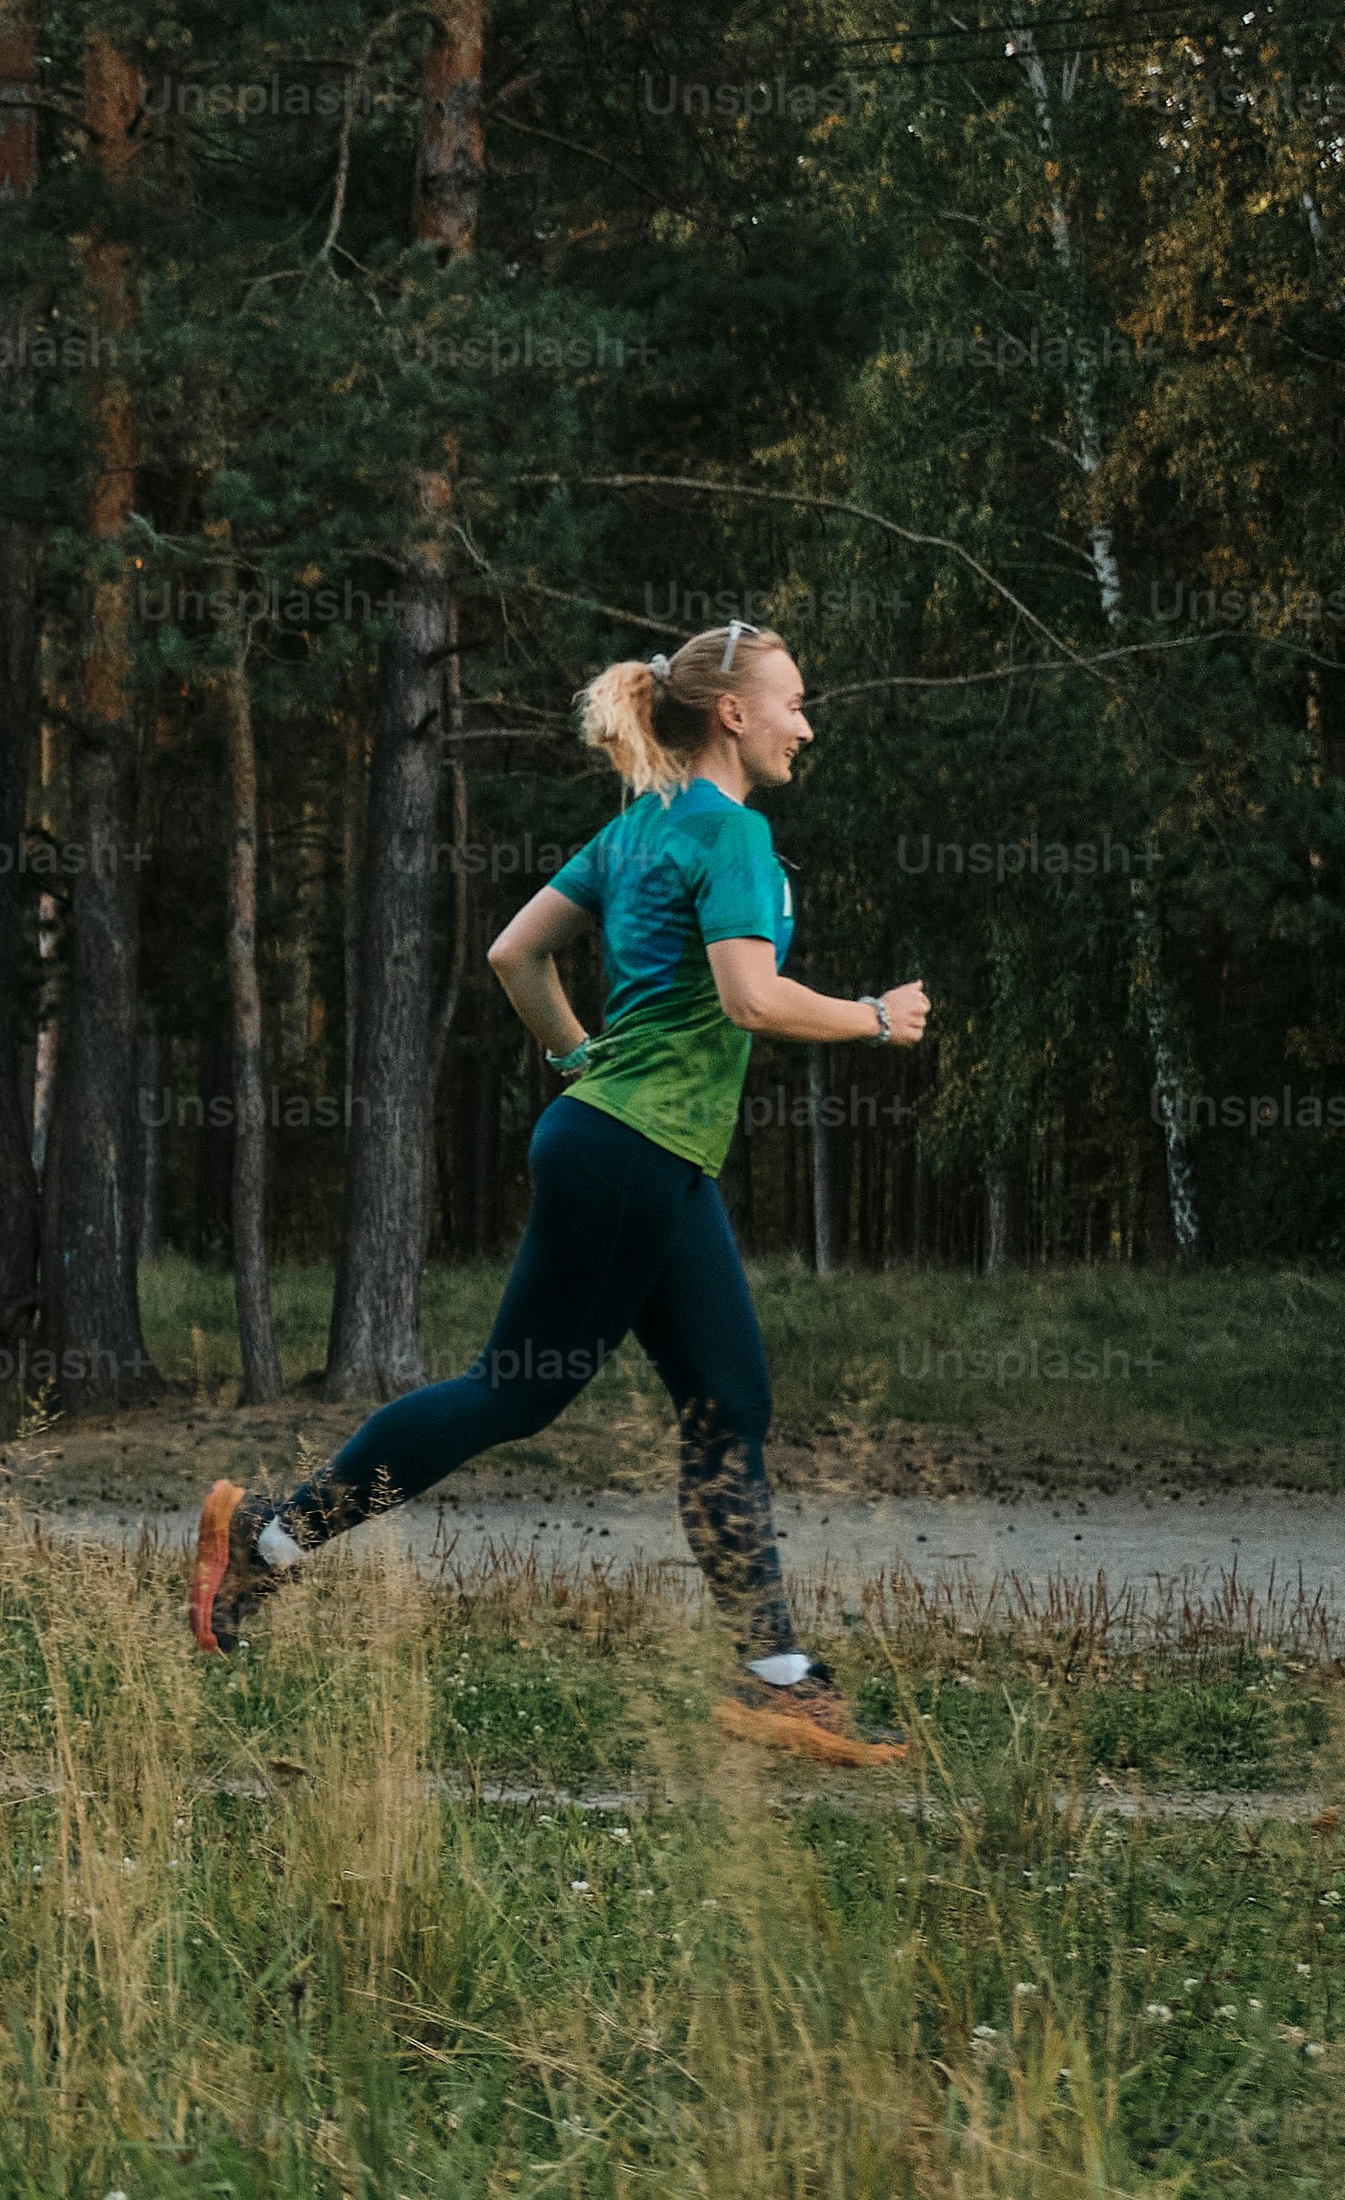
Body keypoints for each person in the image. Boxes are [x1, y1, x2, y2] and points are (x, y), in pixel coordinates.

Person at [188, 622, 923, 1763]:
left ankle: (779, 1673)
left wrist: (579, 1058)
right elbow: (752, 999)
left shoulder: (636, 831)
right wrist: (874, 1017)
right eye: (794, 701)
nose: (805, 723)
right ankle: (269, 1544)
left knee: (728, 1400)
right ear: (732, 712)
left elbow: (514, 955)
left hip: (637, 1150)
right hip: (633, 1151)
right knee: (508, 1394)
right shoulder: (729, 831)